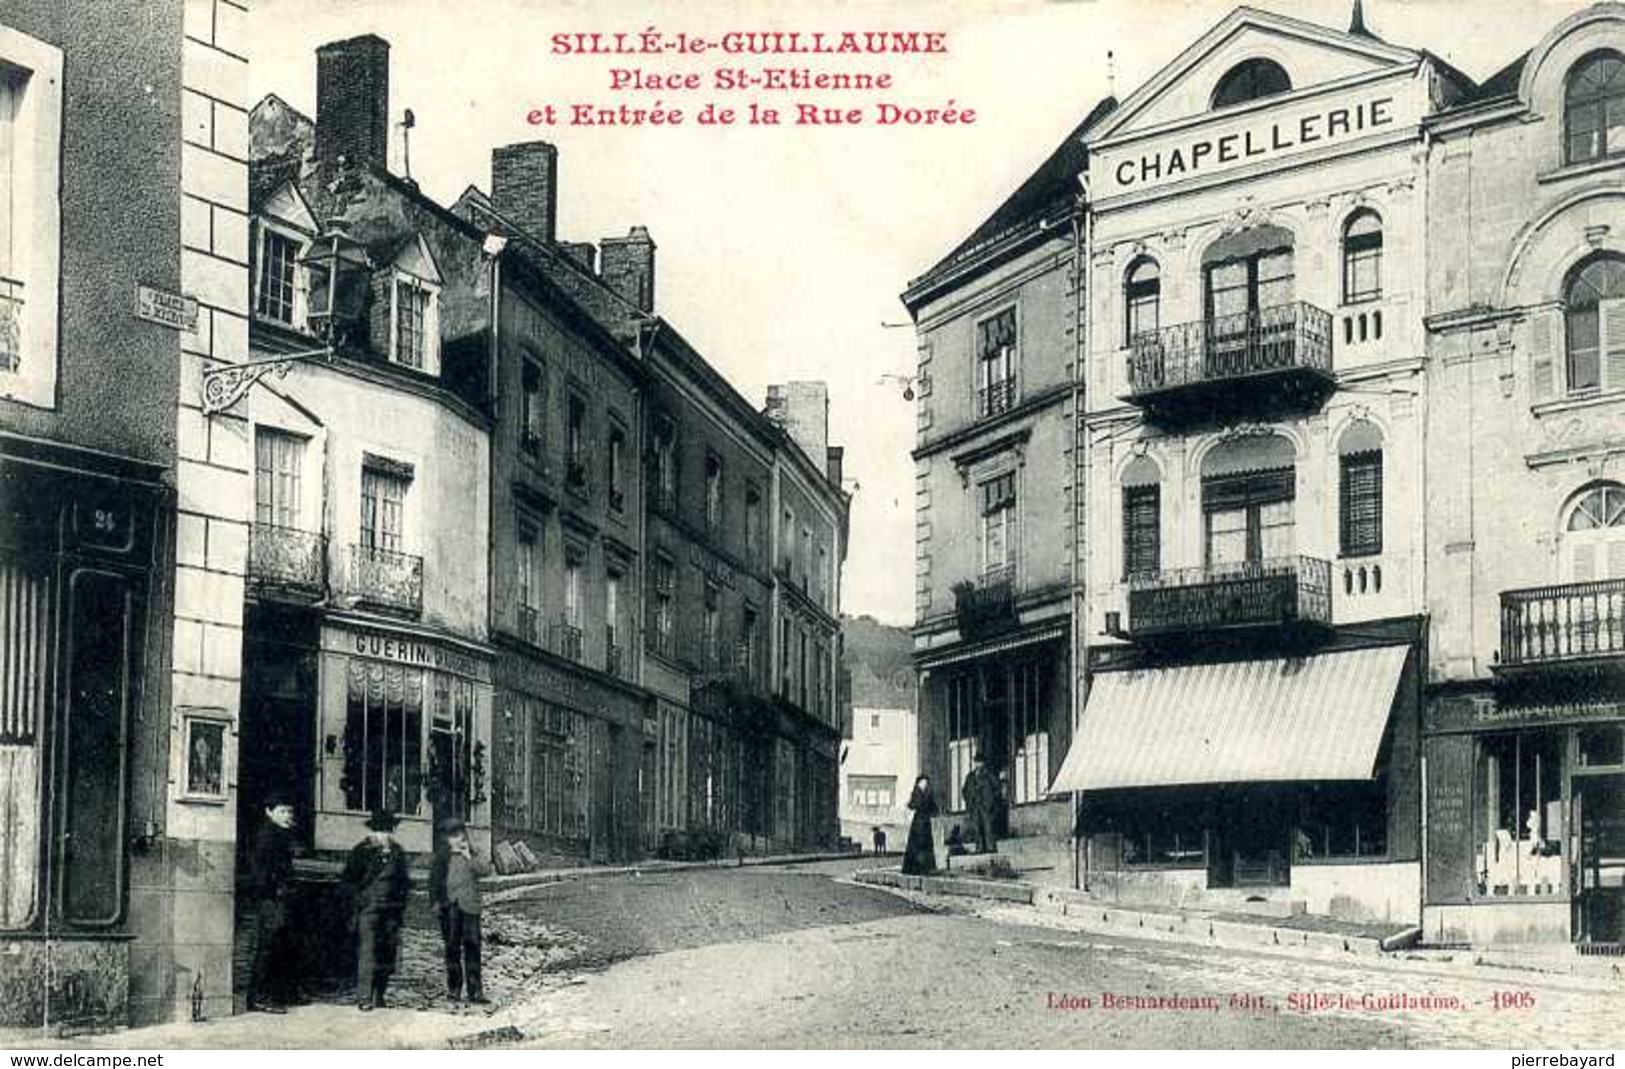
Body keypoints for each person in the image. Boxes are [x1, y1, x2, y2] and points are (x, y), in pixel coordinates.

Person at [342, 808, 411, 1011]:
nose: (384, 836)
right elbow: (347, 882)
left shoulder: (398, 852)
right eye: (380, 831)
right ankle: (364, 997)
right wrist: (359, 900)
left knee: (387, 953)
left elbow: (404, 882)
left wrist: (400, 904)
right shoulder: (361, 852)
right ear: (372, 832)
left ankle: (379, 994)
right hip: (368, 909)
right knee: (367, 952)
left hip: (391, 911)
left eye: (388, 831)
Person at [245, 792, 298, 1014]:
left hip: (276, 898)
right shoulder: (267, 836)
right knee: (268, 947)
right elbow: (259, 872)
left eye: (290, 811)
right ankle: (259, 997)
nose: (288, 816)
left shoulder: (278, 833)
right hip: (271, 899)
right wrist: (276, 890)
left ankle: (278, 994)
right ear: (269, 812)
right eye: (282, 811)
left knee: (279, 946)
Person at [430, 817, 488, 1005]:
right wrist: (436, 903)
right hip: (450, 907)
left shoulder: (473, 853)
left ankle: (475, 990)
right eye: (453, 836)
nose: (458, 840)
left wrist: (469, 856)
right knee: (452, 947)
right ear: (447, 839)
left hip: (470, 906)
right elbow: (434, 883)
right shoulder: (441, 857)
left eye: (461, 835)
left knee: (473, 945)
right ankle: (454, 988)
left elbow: (484, 870)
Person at [962, 755, 1001, 854]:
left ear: (984, 763)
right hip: (974, 806)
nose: (978, 764)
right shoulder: (970, 776)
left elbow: (997, 788)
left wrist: (991, 801)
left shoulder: (989, 775)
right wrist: (969, 800)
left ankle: (990, 847)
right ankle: (979, 848)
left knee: (988, 826)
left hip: (986, 806)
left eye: (980, 762)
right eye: (976, 762)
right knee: (977, 827)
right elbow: (964, 790)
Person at [901, 775, 938, 876]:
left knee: (925, 844)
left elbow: (934, 807)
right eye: (923, 782)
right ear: (919, 783)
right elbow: (913, 805)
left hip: (925, 821)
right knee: (917, 844)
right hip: (918, 822)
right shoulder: (916, 792)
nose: (925, 784)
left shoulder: (927, 792)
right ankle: (915, 868)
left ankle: (926, 867)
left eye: (926, 782)